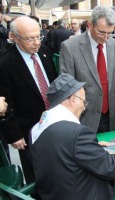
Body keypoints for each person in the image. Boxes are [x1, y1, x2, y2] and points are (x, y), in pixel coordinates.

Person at [29, 73, 115, 200]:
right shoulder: (77, 134)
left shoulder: (36, 128)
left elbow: (61, 153)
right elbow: (112, 168)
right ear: (73, 100)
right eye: (83, 101)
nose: (84, 107)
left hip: (54, 194)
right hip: (83, 194)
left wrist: (91, 147)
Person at [60, 6, 115, 134]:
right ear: (90, 25)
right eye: (101, 32)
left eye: (110, 33)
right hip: (82, 117)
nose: (105, 38)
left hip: (109, 116)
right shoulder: (70, 47)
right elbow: (67, 86)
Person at [0, 16, 57, 185]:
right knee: (35, 172)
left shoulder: (45, 53)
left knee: (56, 167)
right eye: (29, 38)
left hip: (53, 122)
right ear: (14, 37)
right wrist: (14, 135)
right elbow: (4, 103)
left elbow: (53, 84)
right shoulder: (5, 63)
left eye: (38, 36)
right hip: (28, 128)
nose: (36, 42)